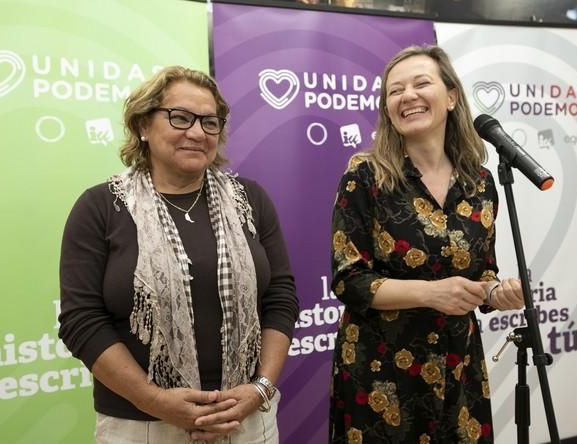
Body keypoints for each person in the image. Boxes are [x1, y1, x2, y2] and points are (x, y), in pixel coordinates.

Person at [58, 66, 299, 443]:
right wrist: (156, 400)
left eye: (209, 122)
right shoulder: (100, 207)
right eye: (180, 117)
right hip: (141, 424)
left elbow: (280, 298)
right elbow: (81, 321)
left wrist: (261, 387)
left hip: (247, 418)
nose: (197, 132)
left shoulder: (250, 200)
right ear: (142, 125)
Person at [328, 45, 525, 443]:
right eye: (395, 90)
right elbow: (349, 280)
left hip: (459, 365)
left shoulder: (481, 182)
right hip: (381, 373)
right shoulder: (366, 175)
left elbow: (483, 269)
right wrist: (432, 293)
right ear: (387, 107)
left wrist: (495, 292)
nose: (408, 96)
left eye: (421, 83)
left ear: (451, 96)